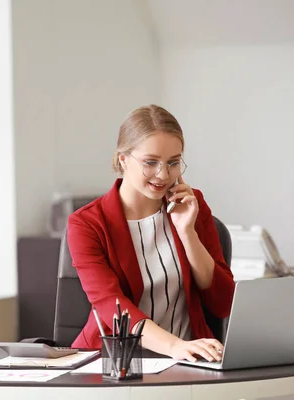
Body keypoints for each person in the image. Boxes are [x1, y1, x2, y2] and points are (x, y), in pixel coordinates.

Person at [67, 104, 235, 362]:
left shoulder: (191, 205)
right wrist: (174, 346)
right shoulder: (87, 224)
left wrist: (187, 233)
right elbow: (113, 305)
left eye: (173, 163)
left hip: (187, 362)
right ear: (123, 159)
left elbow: (223, 302)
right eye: (151, 162)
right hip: (113, 364)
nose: (163, 175)